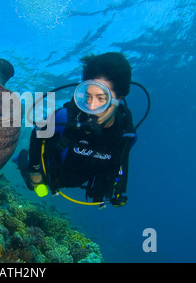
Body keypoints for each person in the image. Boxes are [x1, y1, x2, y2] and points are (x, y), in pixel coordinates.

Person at [15, 52, 138, 207]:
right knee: (31, 184)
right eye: (88, 97)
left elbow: (119, 164)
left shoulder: (126, 136)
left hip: (78, 177)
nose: (91, 107)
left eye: (101, 99)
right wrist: (34, 171)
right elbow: (38, 132)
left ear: (119, 97)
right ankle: (21, 159)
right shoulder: (65, 118)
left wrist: (113, 189)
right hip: (50, 172)